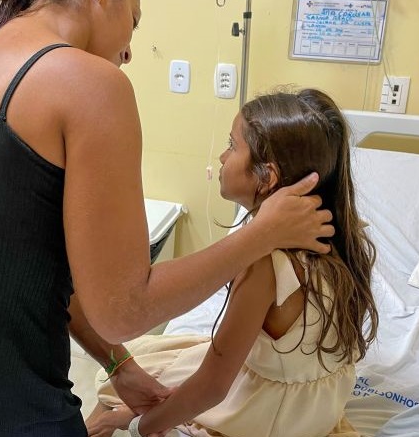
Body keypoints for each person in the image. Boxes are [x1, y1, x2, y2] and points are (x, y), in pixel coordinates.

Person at [0, 0, 335, 436]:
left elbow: (22, 268)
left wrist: (120, 365)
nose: (129, 51)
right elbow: (125, 310)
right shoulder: (88, 81)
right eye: (133, 20)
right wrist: (261, 234)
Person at [87, 88, 378, 437]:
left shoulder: (266, 266)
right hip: (315, 412)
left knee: (114, 394)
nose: (222, 156)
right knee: (140, 365)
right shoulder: (347, 240)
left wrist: (137, 425)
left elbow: (212, 387)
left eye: (232, 145)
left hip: (265, 417)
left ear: (267, 176)